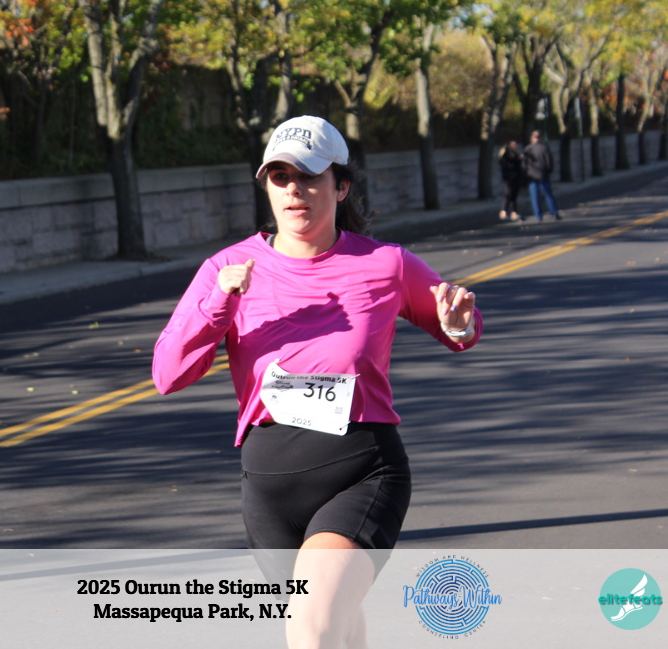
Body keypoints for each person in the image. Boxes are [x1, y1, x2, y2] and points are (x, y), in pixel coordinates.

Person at [153, 116, 482, 648]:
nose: (293, 190)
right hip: (269, 490)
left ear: (341, 186)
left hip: (360, 473)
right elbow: (167, 374)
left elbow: (460, 328)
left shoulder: (385, 264)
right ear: (266, 186)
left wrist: (459, 324)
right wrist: (219, 303)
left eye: (308, 176)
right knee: (335, 629)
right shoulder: (227, 267)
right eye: (280, 177)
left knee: (312, 628)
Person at [523, 129, 561, 221]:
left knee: (535, 197)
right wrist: (548, 171)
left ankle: (538, 215)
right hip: (543, 174)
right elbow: (549, 163)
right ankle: (554, 212)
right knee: (548, 195)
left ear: (532, 138)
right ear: (541, 138)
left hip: (532, 176)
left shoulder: (527, 149)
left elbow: (524, 164)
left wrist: (527, 173)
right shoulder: (544, 148)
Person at [498, 140, 524, 221]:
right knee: (508, 194)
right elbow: (508, 165)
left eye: (516, 145)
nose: (515, 147)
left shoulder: (516, 155)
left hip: (516, 178)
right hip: (508, 179)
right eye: (513, 145)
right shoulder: (505, 157)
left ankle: (514, 212)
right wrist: (518, 159)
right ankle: (504, 210)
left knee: (514, 196)